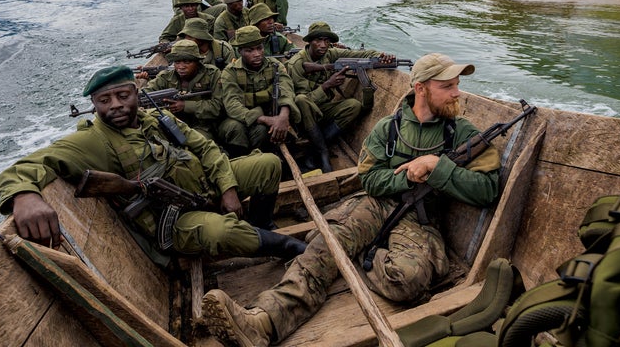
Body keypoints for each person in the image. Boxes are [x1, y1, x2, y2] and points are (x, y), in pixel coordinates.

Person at [201, 53, 502, 346]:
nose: (457, 93)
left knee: (408, 280)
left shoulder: (463, 134)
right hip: (375, 203)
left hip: (419, 218)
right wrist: (407, 177)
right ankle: (262, 322)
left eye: (457, 84)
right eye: (447, 86)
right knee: (322, 249)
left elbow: (488, 190)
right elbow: (369, 178)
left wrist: (438, 167)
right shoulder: (389, 128)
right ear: (421, 89)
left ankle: (356, 250)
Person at [0, 65, 307, 265]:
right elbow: (22, 168)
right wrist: (25, 197)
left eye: (122, 95)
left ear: (136, 93)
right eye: (105, 100)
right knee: (225, 232)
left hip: (202, 187)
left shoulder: (157, 118)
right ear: (95, 105)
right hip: (174, 219)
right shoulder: (94, 141)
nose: (115, 105)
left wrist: (227, 188)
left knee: (267, 163)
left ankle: (262, 225)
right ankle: (288, 247)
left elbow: (207, 148)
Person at [286, 21, 396, 172]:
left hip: (322, 110)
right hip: (301, 118)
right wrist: (327, 85)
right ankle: (323, 152)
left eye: (327, 41)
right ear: (310, 41)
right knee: (301, 100)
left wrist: (380, 57)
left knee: (353, 105)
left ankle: (315, 148)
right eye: (318, 40)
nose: (323, 45)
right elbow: (296, 102)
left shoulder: (331, 54)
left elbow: (360, 54)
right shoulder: (296, 64)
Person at [219, 26, 301, 156]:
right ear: (239, 51)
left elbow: (286, 89)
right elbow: (232, 104)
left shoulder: (275, 65)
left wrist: (283, 117)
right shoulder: (230, 72)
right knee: (237, 129)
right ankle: (244, 159)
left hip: (272, 113)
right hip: (242, 117)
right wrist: (265, 119)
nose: (257, 54)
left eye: (259, 48)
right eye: (249, 50)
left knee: (290, 117)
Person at [142, 40, 224, 140]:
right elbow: (146, 92)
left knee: (195, 142)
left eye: (187, 62)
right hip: (173, 124)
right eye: (177, 62)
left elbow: (218, 106)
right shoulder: (165, 77)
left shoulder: (212, 74)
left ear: (197, 62)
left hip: (204, 125)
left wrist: (185, 105)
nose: (181, 67)